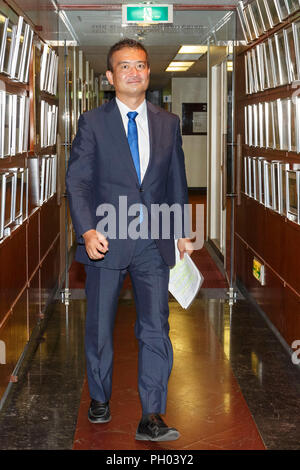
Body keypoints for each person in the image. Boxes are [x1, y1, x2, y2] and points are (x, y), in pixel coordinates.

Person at [66, 38, 193, 442]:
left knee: (155, 327)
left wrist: (181, 233)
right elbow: (78, 181)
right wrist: (86, 230)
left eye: (140, 65)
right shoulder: (93, 123)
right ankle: (100, 396)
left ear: (148, 73)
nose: (134, 72)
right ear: (110, 76)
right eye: (124, 66)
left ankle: (151, 414)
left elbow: (176, 183)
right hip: (105, 239)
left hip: (152, 242)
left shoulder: (168, 123)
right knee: (100, 328)